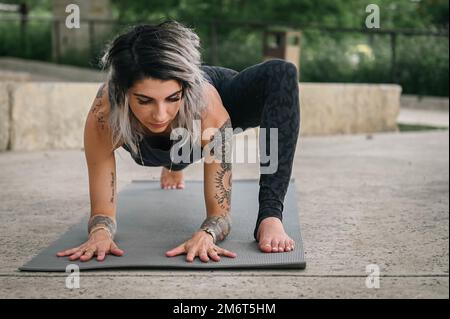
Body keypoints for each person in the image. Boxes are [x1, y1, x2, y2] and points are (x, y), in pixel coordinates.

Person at [56, 20, 300, 263]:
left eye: (172, 98)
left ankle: (271, 216)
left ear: (183, 89)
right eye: (144, 101)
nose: (160, 114)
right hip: (157, 143)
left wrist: (208, 233)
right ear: (123, 93)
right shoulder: (105, 114)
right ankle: (174, 162)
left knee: (282, 73)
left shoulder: (209, 107)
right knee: (174, 140)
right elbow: (101, 212)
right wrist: (100, 233)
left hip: (202, 116)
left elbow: (220, 215)